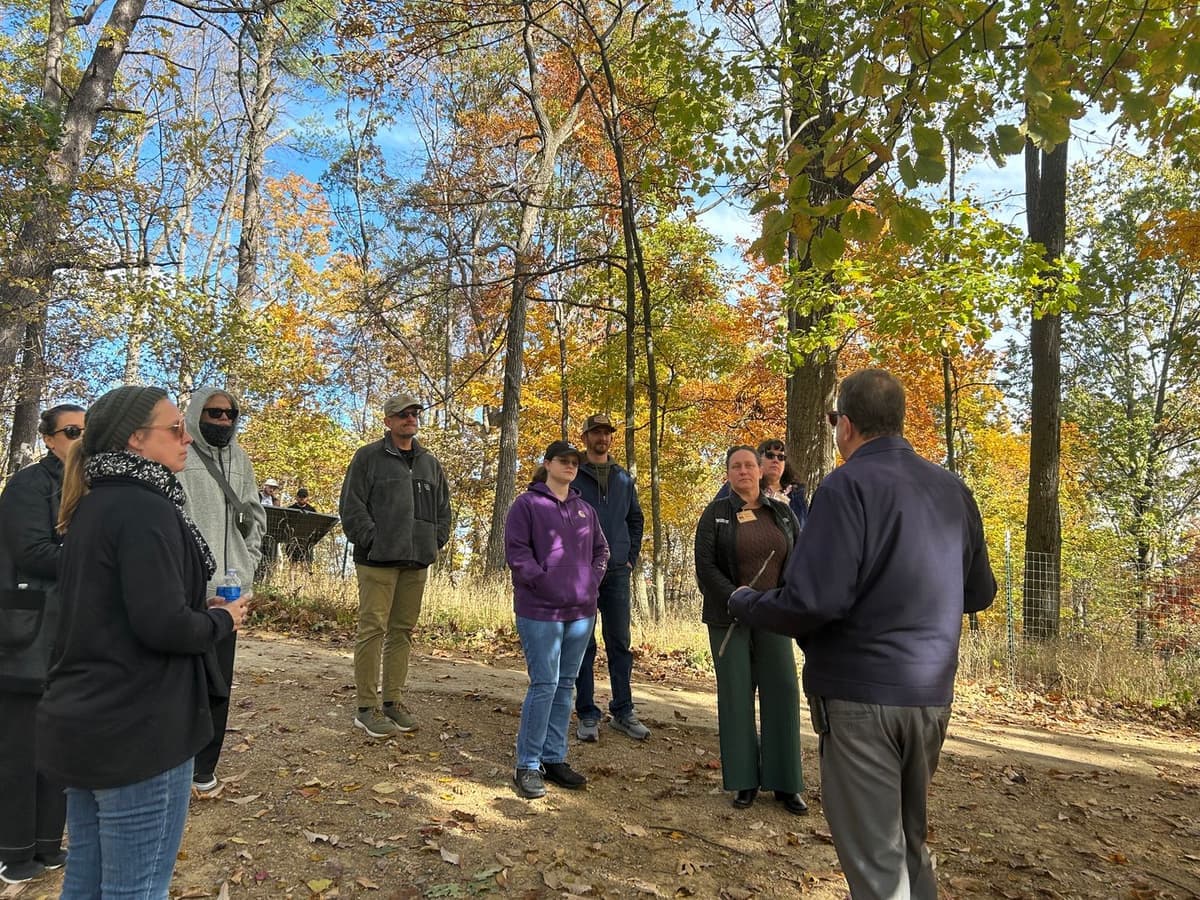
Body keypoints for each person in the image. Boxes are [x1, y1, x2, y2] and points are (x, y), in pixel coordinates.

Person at [729, 369, 997, 900]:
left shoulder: (845, 486)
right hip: (930, 695)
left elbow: (814, 601)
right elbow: (980, 591)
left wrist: (746, 602)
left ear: (846, 425)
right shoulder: (952, 489)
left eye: (834, 420)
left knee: (877, 863)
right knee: (910, 844)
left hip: (860, 695)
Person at [36, 385, 249, 900]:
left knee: (85, 880)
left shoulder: (94, 505)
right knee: (137, 889)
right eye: (175, 429)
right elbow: (164, 626)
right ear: (136, 438)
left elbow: (116, 611)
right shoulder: (145, 509)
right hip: (141, 729)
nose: (187, 437)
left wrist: (196, 608)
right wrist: (221, 621)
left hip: (91, 719)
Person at [694, 445, 807, 815]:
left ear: (761, 471)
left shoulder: (782, 513)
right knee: (736, 694)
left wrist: (786, 601)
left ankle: (786, 782)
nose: (743, 471)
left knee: (783, 690)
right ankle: (744, 780)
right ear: (728, 474)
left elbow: (797, 561)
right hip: (729, 617)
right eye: (735, 466)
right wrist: (736, 598)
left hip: (773, 615)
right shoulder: (715, 514)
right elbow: (705, 567)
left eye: (749, 465)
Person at [0, 404, 82, 884]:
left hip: (70, 633)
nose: (81, 440)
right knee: (19, 747)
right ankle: (13, 851)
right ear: (49, 439)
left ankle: (49, 844)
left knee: (58, 742)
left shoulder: (92, 486)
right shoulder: (29, 486)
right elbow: (31, 553)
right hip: (26, 633)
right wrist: (95, 554)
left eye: (89, 432)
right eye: (72, 432)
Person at [340, 393, 451, 738]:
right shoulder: (368, 457)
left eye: (415, 413)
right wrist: (373, 540)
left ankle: (392, 702)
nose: (410, 418)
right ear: (388, 421)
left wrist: (433, 541)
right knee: (372, 629)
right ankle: (365, 708)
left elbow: (444, 511)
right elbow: (351, 506)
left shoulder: (430, 463)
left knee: (402, 631)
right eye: (403, 414)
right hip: (377, 560)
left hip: (416, 562)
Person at [505, 441, 609, 799]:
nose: (570, 466)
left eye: (574, 462)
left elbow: (602, 550)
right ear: (547, 464)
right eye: (563, 461)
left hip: (581, 612)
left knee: (566, 685)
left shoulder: (585, 510)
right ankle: (528, 764)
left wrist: (591, 582)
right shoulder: (527, 505)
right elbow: (517, 553)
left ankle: (553, 758)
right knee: (544, 684)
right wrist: (545, 582)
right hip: (540, 611)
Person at [177, 387, 267, 794]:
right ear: (197, 413)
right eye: (214, 413)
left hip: (231, 590)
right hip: (188, 587)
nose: (224, 420)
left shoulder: (241, 458)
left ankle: (204, 768)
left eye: (231, 414)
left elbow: (255, 513)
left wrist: (248, 562)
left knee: (219, 681)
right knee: (182, 679)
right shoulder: (180, 453)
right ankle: (175, 764)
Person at [572, 413, 648, 742]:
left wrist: (630, 558)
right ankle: (587, 713)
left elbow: (635, 519)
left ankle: (623, 711)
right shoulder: (574, 473)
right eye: (596, 433)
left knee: (619, 643)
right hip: (582, 571)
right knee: (583, 644)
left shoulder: (623, 479)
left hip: (617, 570)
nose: (602, 438)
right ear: (585, 437)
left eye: (606, 433)